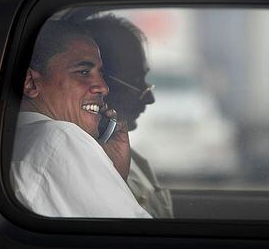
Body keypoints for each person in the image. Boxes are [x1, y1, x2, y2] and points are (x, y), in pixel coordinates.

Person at [10, 20, 151, 218]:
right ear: (31, 83)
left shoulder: (13, 139)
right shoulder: (59, 137)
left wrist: (113, 175)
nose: (103, 88)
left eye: (99, 74)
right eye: (83, 72)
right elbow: (138, 237)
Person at [81, 14, 173, 218]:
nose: (149, 99)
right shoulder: (73, 169)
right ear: (97, 82)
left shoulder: (137, 163)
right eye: (136, 80)